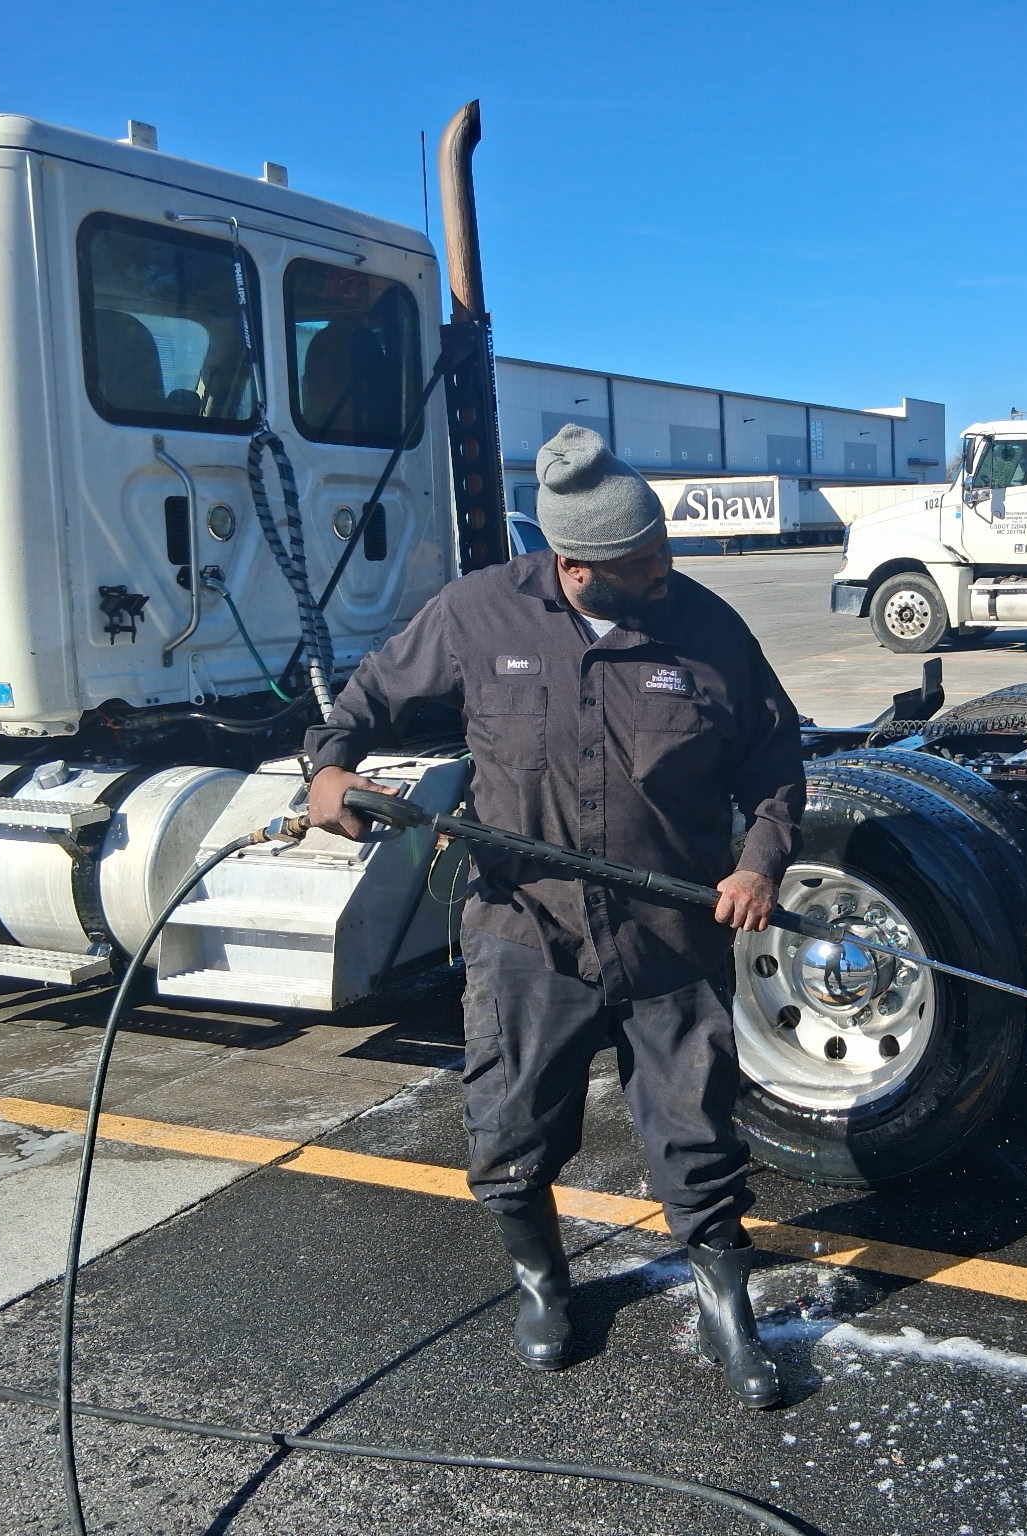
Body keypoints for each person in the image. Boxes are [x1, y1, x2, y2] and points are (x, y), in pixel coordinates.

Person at [304, 424, 805, 1409]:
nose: (664, 570)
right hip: (525, 934)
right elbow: (367, 699)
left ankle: (726, 1308)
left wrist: (758, 864)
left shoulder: (709, 632)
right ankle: (542, 1285)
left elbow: (775, 767)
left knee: (698, 1136)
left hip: (670, 941)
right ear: (577, 568)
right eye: (642, 562)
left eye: (662, 549)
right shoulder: (475, 615)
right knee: (510, 1129)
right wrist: (328, 768)